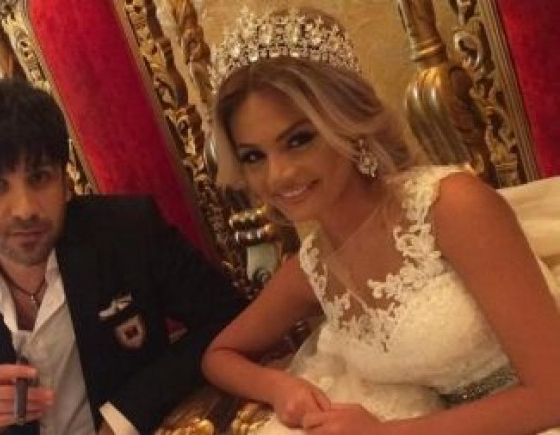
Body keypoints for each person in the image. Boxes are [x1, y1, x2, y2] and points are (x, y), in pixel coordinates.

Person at [202, 7, 560, 434]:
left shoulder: (451, 208)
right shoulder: (313, 268)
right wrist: (280, 386)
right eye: (253, 156)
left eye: (299, 139)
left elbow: (552, 395)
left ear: (347, 123)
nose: (277, 175)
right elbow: (218, 356)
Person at [0, 78, 245, 435]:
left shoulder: (128, 231)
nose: (25, 209)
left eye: (39, 177)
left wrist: (126, 413)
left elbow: (225, 318)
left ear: (65, 183)